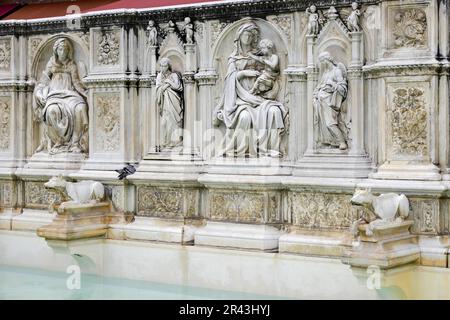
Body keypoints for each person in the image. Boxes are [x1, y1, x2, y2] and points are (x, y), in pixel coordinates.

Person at [213, 22, 288, 158]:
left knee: (274, 111)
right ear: (239, 37)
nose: (248, 37)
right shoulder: (234, 58)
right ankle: (241, 152)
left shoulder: (259, 54)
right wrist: (243, 73)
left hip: (261, 96)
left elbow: (272, 71)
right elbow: (229, 80)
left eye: (251, 35)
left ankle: (270, 150)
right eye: (245, 34)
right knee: (245, 117)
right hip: (241, 99)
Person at [33, 37, 88, 155]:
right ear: (56, 51)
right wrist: (38, 92)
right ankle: (59, 141)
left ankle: (75, 143)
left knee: (81, 107)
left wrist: (86, 93)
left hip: (70, 94)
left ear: (69, 51)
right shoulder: (51, 64)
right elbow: (42, 82)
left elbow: (76, 83)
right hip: (54, 96)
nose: (63, 52)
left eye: (65, 49)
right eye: (60, 49)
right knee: (52, 110)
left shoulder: (72, 64)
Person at [313, 51, 348, 150]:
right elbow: (320, 85)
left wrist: (332, 84)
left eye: (322, 61)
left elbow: (342, 86)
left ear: (326, 60)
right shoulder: (325, 73)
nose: (321, 64)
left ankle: (342, 142)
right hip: (321, 101)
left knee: (330, 123)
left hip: (330, 102)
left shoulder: (336, 71)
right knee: (324, 124)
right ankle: (332, 141)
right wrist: (316, 94)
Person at [155, 57, 184, 149]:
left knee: (173, 121)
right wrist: (164, 87)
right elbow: (158, 88)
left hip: (174, 101)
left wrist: (167, 83)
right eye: (161, 66)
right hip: (164, 102)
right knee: (164, 123)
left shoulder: (174, 75)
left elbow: (179, 87)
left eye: (164, 66)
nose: (162, 68)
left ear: (168, 66)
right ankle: (166, 141)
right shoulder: (159, 76)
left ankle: (175, 141)